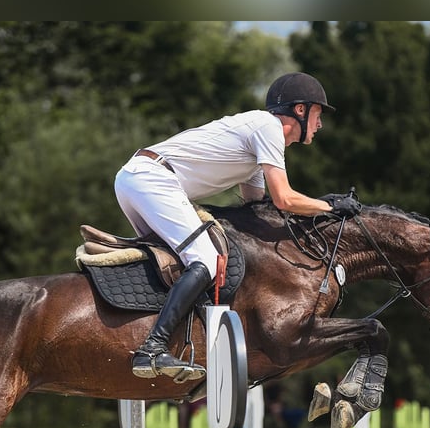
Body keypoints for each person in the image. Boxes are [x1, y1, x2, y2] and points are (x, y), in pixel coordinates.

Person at [115, 72, 360, 382]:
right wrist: (329, 207)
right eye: (317, 113)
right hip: (152, 179)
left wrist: (317, 208)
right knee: (205, 259)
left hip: (138, 178)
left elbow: (257, 208)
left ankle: (164, 339)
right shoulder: (269, 128)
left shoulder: (260, 144)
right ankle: (152, 347)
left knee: (176, 264)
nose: (319, 123)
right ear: (300, 110)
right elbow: (284, 199)